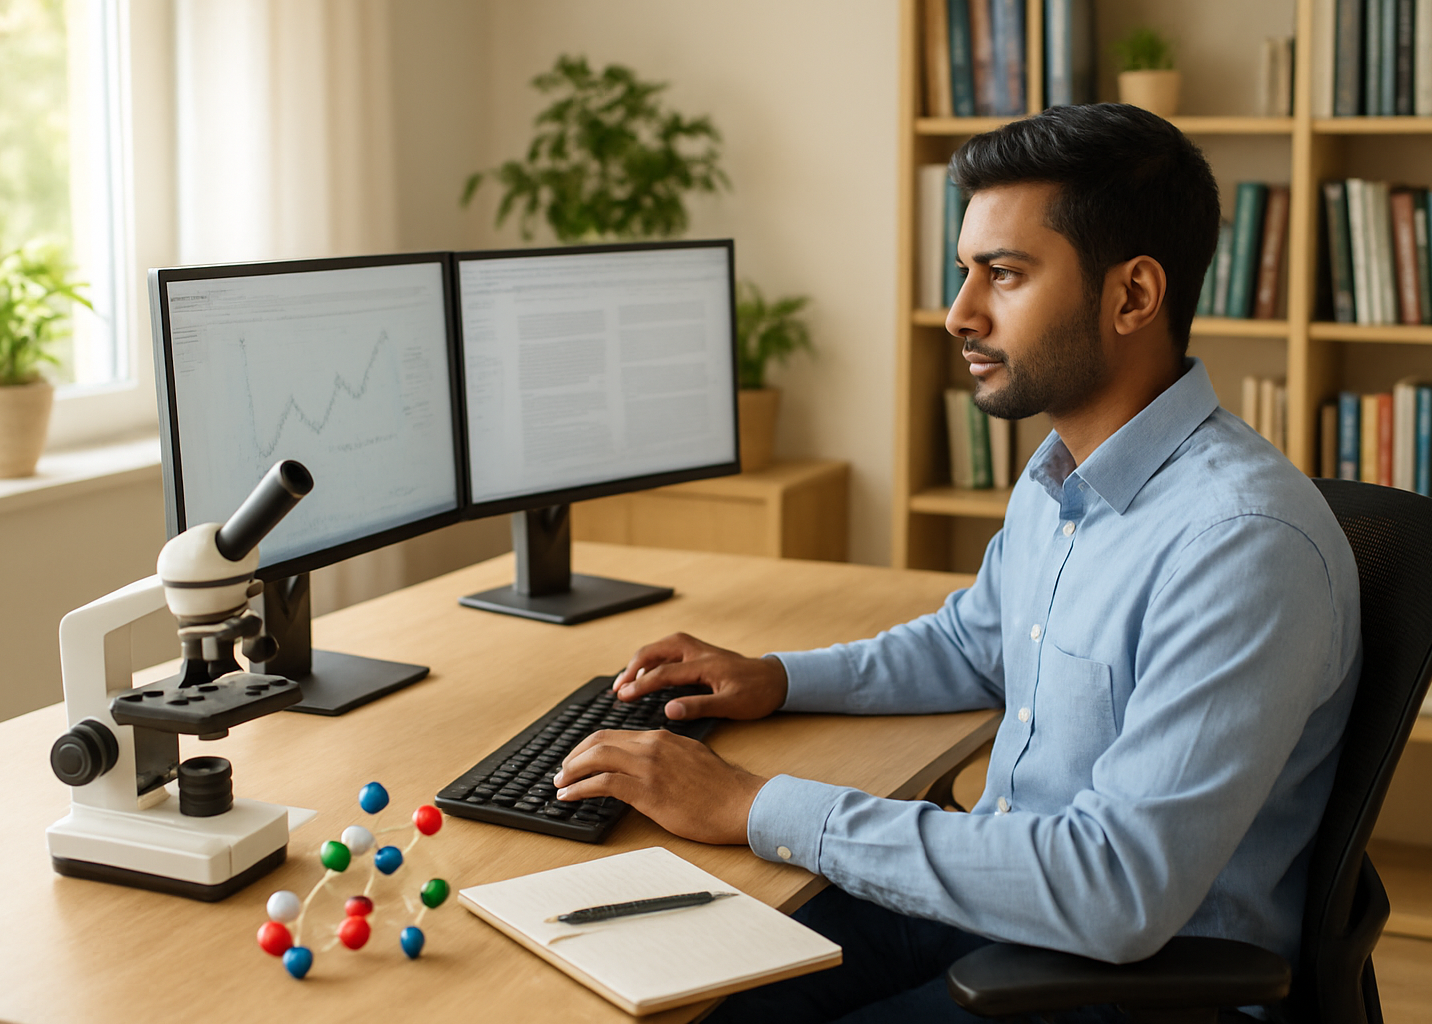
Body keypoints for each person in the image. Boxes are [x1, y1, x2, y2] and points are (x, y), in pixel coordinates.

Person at [551, 104, 1362, 1023]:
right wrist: (775, 678)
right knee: (687, 996)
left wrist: (754, 804)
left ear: (1133, 296)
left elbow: (1117, 889)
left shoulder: (1242, 545)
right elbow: (975, 645)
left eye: (1004, 275)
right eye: (964, 271)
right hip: (1001, 906)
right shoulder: (1062, 476)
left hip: (1138, 986)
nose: (959, 314)